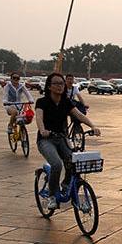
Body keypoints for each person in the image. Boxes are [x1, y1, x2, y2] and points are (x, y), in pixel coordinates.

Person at [36, 73, 101, 210]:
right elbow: (39, 118)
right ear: (49, 86)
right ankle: (53, 196)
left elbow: (79, 115)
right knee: (57, 164)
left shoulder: (66, 102)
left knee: (74, 163)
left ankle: (66, 185)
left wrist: (93, 126)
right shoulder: (42, 102)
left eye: (62, 83)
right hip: (46, 140)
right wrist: (42, 130)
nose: (60, 86)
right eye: (56, 84)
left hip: (62, 138)